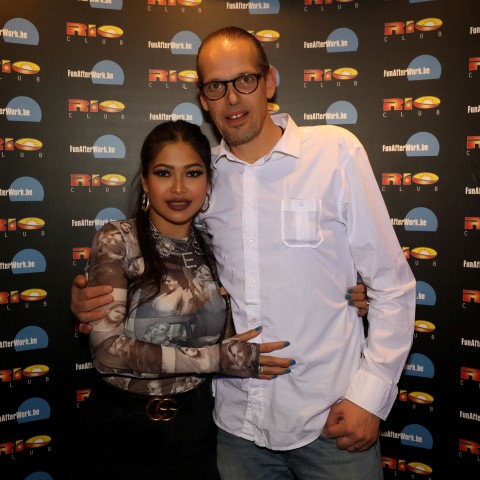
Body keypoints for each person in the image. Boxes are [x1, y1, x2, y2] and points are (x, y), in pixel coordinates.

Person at [69, 26, 411, 480]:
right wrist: (90, 297)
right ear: (203, 98)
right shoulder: (204, 177)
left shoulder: (334, 152)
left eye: (244, 80)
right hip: (235, 430)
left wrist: (370, 397)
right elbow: (162, 263)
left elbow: (392, 286)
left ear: (269, 82)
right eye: (216, 85)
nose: (231, 97)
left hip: (331, 420)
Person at [69, 120, 295, 480]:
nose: (178, 187)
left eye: (192, 173)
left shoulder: (216, 246)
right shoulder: (118, 239)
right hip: (119, 431)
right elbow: (108, 350)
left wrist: (353, 296)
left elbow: (254, 308)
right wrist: (215, 359)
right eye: (163, 173)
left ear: (208, 182)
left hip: (197, 428)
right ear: (146, 182)